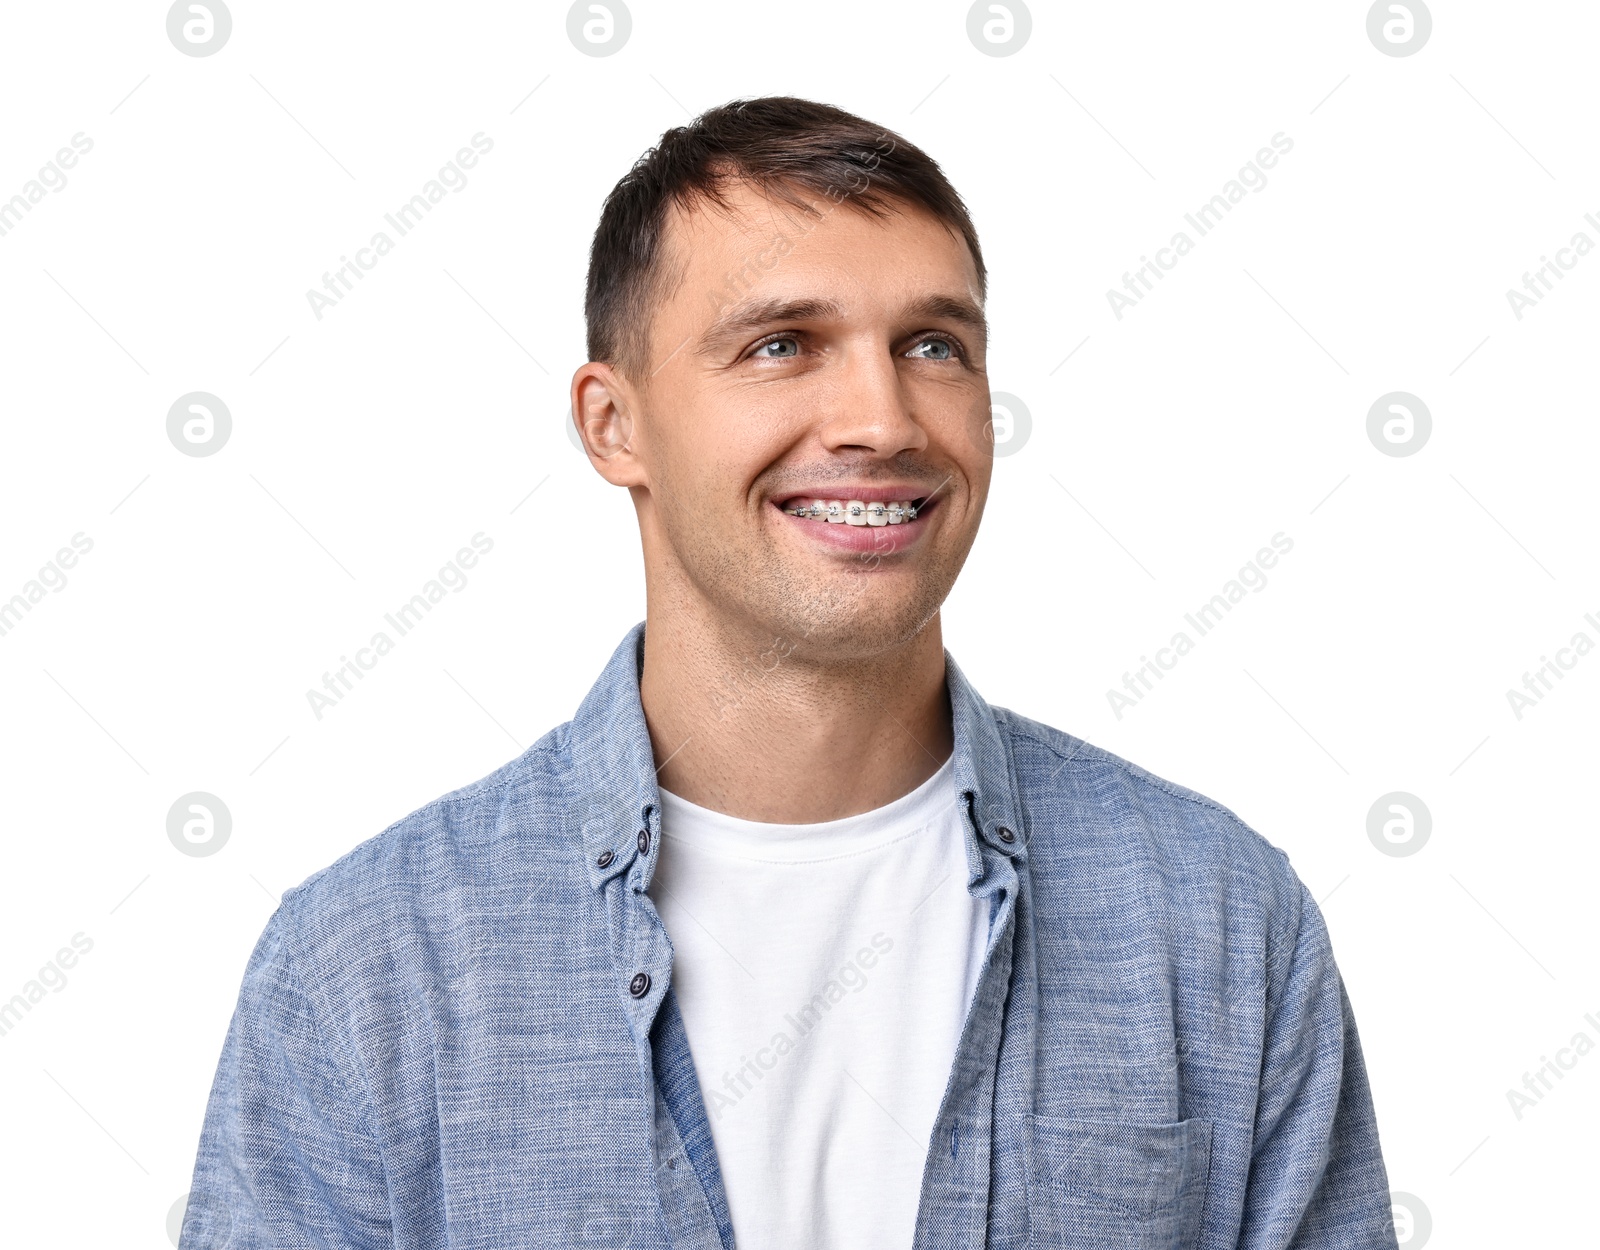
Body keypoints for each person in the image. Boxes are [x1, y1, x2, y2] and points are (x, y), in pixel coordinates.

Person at [179, 96, 1398, 1249]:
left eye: (932, 343)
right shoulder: (368, 966)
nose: (882, 417)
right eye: (781, 344)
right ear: (615, 425)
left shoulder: (1222, 923)